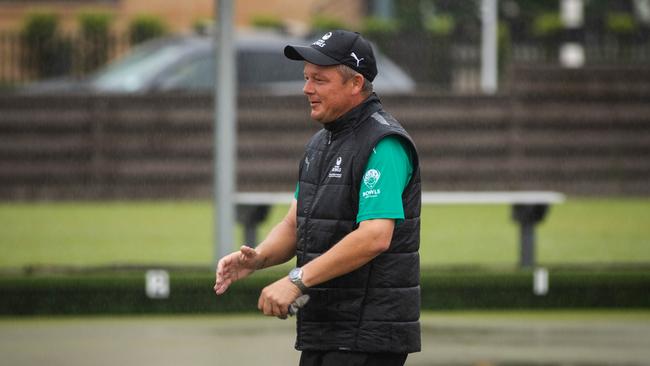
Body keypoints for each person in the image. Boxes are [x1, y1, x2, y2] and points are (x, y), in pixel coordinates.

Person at [214, 29, 421, 366]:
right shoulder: (318, 144)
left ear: (355, 84)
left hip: (368, 338)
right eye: (306, 78)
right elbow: (296, 223)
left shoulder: (385, 143)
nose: (307, 89)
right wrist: (259, 258)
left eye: (319, 80)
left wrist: (296, 280)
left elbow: (374, 237)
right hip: (325, 331)